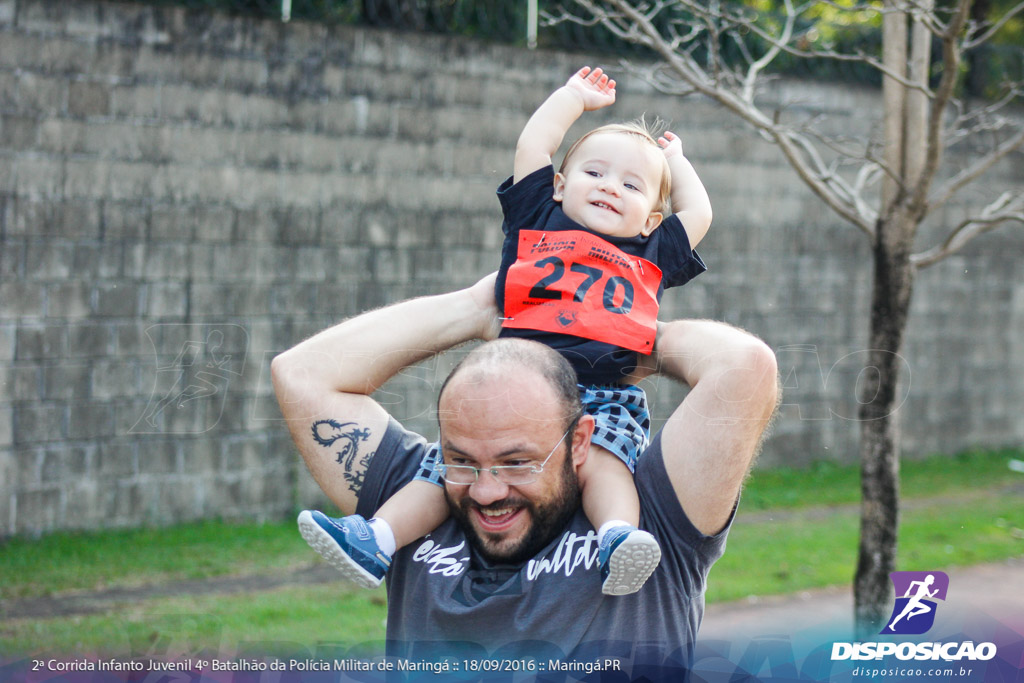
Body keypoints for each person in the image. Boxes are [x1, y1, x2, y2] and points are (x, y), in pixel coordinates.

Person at [296, 66, 715, 597]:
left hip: (604, 393)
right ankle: (376, 538)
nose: (610, 187)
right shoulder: (539, 217)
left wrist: (676, 163)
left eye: (631, 185)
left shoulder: (651, 252)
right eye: (595, 173)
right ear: (561, 186)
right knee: (448, 469)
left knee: (606, 455)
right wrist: (571, 98)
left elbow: (698, 210)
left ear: (652, 219)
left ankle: (617, 538)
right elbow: (534, 144)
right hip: (518, 384)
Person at [271, 273, 778, 671]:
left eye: (518, 463)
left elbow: (744, 367)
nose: (487, 492)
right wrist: (478, 308)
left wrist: (624, 333)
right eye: (463, 460)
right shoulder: (417, 503)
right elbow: (302, 374)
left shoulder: (649, 524)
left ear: (579, 441)